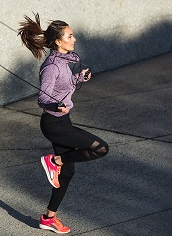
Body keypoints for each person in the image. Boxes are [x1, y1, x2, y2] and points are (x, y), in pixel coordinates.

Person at [18, 13, 109, 234]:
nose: (74, 38)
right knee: (100, 148)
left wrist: (79, 79)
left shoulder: (63, 62)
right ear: (58, 41)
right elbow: (43, 98)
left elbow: (63, 87)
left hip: (61, 121)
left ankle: (48, 218)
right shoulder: (51, 67)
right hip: (55, 125)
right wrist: (55, 105)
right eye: (70, 35)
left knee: (67, 174)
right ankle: (54, 160)